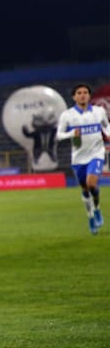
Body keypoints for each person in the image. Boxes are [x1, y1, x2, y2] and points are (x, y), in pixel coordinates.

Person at [56, 84, 109, 235]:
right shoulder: (67, 115)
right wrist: (71, 133)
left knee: (91, 184)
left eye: (85, 92)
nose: (83, 95)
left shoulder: (99, 111)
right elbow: (59, 135)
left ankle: (97, 209)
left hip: (96, 153)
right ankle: (90, 216)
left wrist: (108, 134)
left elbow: (106, 126)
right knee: (85, 189)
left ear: (89, 96)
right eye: (79, 93)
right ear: (74, 97)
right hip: (79, 158)